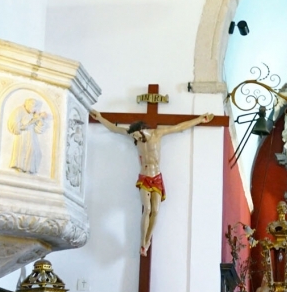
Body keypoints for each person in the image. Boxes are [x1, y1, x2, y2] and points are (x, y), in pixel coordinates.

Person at [90, 109, 214, 255]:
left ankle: (148, 241)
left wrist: (200, 119)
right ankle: (142, 241)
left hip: (156, 177)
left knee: (155, 210)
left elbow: (180, 127)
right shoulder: (133, 135)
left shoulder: (157, 134)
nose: (134, 138)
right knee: (147, 209)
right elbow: (115, 128)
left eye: (136, 135)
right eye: (133, 136)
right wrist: (100, 118)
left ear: (142, 131)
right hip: (144, 176)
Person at [8, 98, 49, 174]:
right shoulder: (19, 110)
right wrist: (21, 126)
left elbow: (38, 129)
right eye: (32, 105)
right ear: (27, 104)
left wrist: (40, 119)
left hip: (31, 136)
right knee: (22, 151)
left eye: (35, 106)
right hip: (22, 136)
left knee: (35, 151)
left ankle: (29, 169)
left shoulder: (33, 114)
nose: (33, 108)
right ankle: (20, 168)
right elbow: (13, 123)